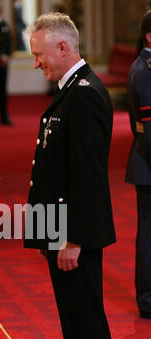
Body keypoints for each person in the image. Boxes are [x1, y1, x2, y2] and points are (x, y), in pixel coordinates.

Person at [23, 13, 116, 339]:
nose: (37, 63)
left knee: (85, 320)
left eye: (40, 55)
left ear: (64, 48)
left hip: (72, 233)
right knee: (74, 319)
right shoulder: (69, 92)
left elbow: (88, 176)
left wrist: (71, 239)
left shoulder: (85, 94)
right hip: (59, 227)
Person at [125, 10, 151, 320]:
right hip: (148, 161)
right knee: (148, 236)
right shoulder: (146, 69)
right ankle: (147, 299)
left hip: (145, 160)